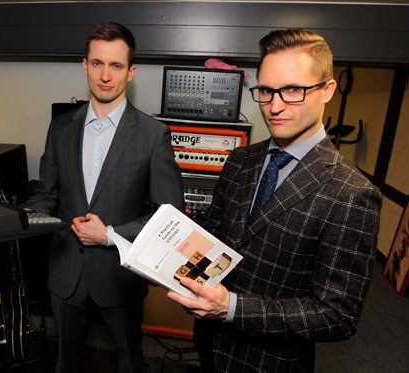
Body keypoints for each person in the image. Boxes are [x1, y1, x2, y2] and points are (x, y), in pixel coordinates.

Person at [167, 29, 382, 372]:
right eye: (266, 91)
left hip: (271, 361)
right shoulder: (240, 161)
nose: (275, 106)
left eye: (294, 89)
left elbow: (337, 316)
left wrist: (233, 307)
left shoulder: (351, 194)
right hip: (209, 342)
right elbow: (212, 238)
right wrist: (168, 261)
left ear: (327, 90)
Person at [23, 22, 184, 373]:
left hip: (120, 278)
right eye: (97, 63)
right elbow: (45, 197)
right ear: (85, 65)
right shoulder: (61, 127)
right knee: (67, 362)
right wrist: (17, 220)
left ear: (131, 72)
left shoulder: (153, 134)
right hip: (65, 274)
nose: (105, 75)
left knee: (130, 362)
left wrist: (109, 234)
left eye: (116, 66)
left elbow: (169, 215)